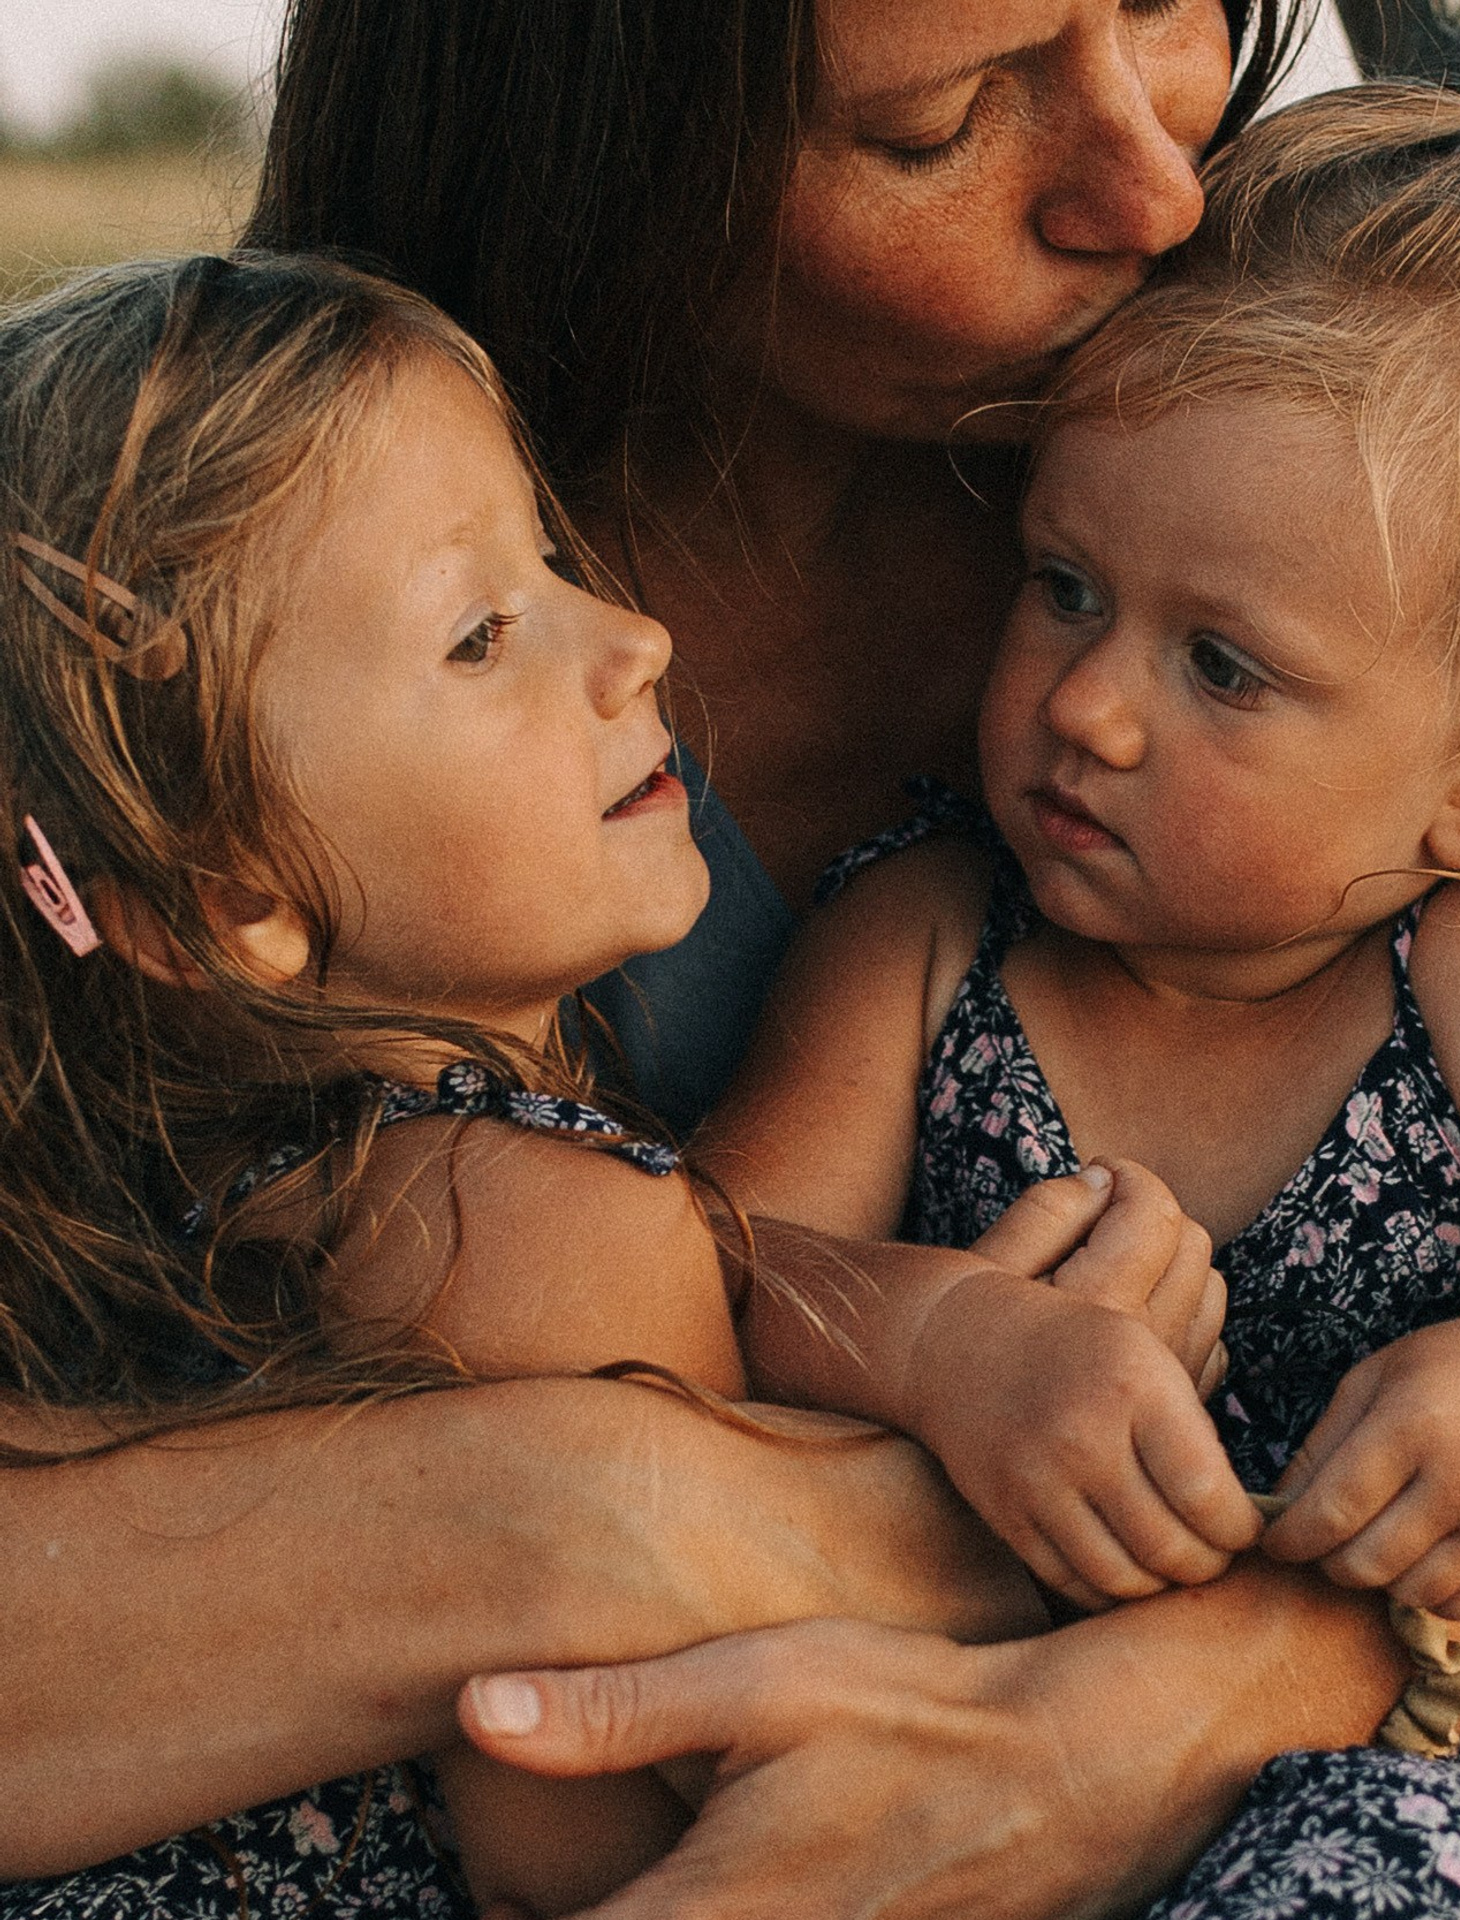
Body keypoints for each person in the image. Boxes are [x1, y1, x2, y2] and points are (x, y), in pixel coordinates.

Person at [0, 2, 1460, 1915]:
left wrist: (1141, 1719)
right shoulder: (260, 527)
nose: (1152, 189)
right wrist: (649, 1484)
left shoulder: (1365, 441)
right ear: (601, 154)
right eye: (942, 121)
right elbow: (728, 1293)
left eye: (1158, 5)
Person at [0, 251, 1222, 1915]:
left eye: (552, 561)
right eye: (482, 636)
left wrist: (929, 1336)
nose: (634, 639)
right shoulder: (514, 1208)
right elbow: (615, 1833)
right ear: (235, 900)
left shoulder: (247, 1197)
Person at [701, 85, 1460, 1633]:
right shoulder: (932, 936)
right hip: (996, 1751)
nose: (1085, 705)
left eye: (1220, 667)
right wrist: (940, 1347)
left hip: (1452, 1791)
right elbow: (714, 1271)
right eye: (1066, 586)